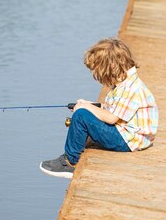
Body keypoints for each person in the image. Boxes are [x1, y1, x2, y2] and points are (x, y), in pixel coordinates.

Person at [40, 38, 158, 179]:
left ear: (111, 68)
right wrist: (90, 104)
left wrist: (85, 108)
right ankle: (86, 141)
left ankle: (70, 162)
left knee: (82, 116)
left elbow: (111, 117)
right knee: (86, 111)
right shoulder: (126, 83)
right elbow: (112, 110)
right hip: (130, 136)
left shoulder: (130, 89)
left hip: (129, 141)